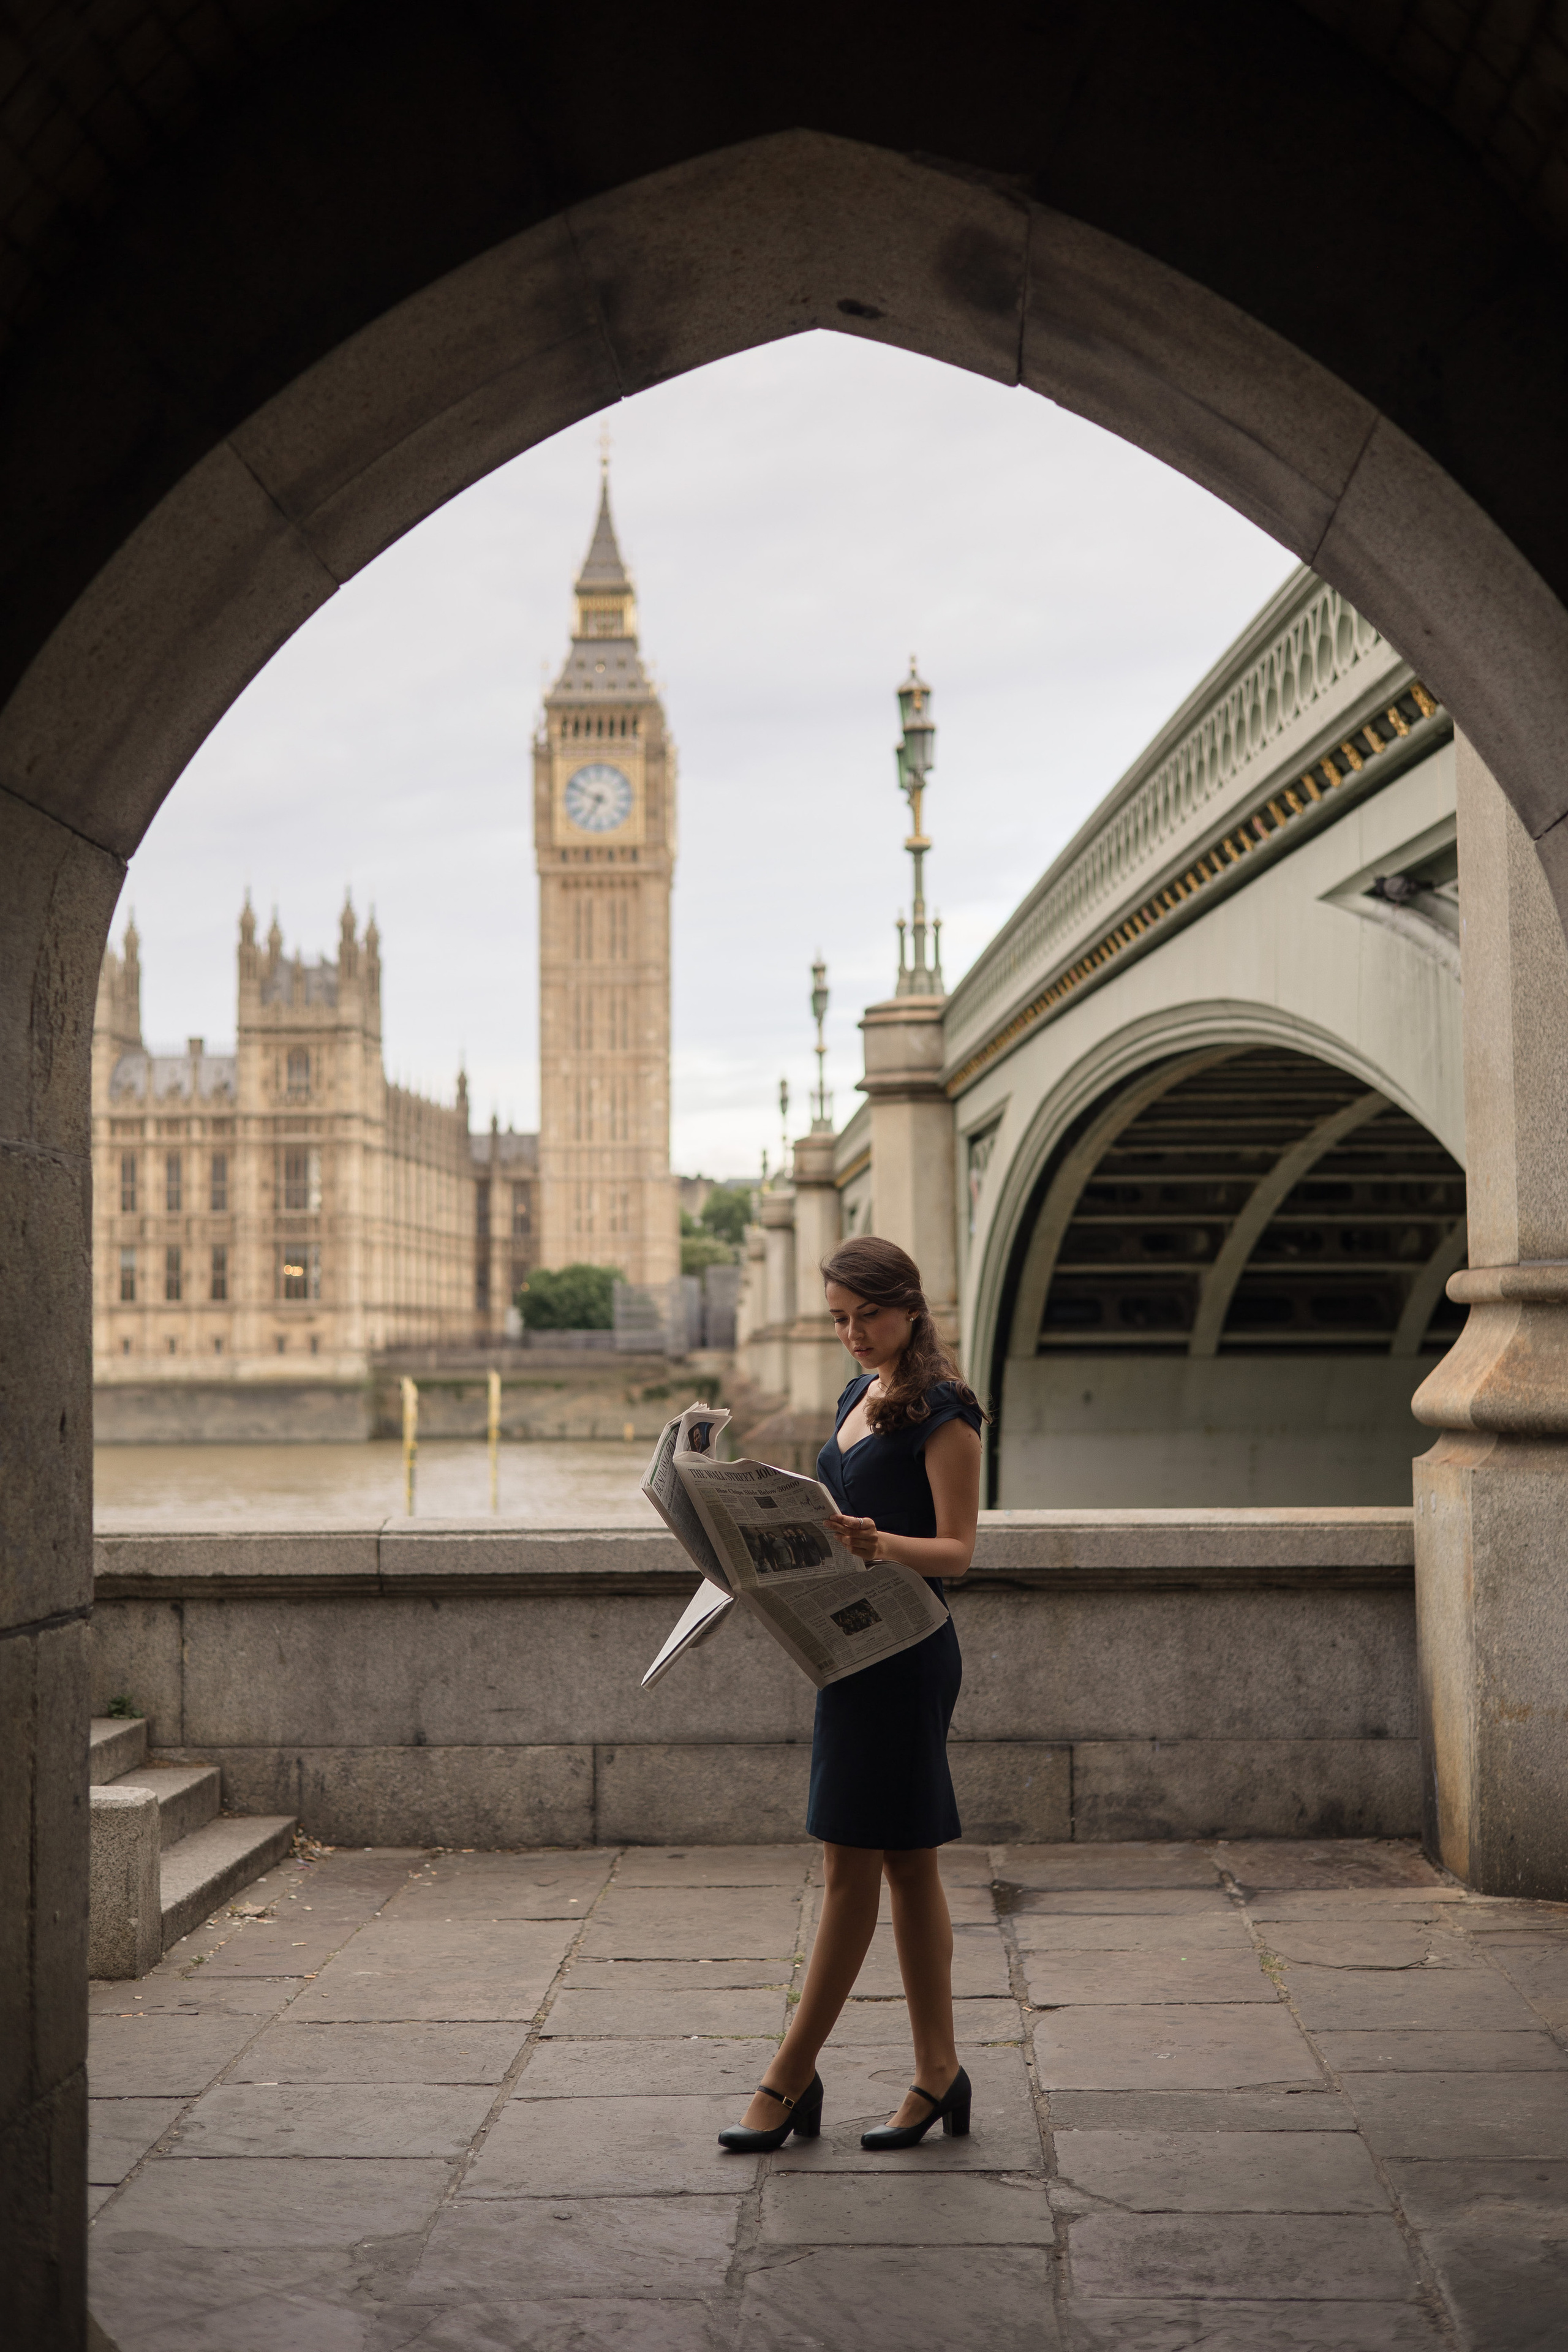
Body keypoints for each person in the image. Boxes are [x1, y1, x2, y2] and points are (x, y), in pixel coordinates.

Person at [718, 1235, 985, 2155]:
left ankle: (789, 2076)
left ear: (907, 1306)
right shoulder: (854, 1397)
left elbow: (958, 1551)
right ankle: (938, 2073)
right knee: (907, 1865)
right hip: (851, 1647)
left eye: (866, 1314)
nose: (853, 1334)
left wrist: (880, 1547)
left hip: (909, 1651)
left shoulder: (946, 1412)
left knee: (848, 1872)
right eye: (838, 1319)